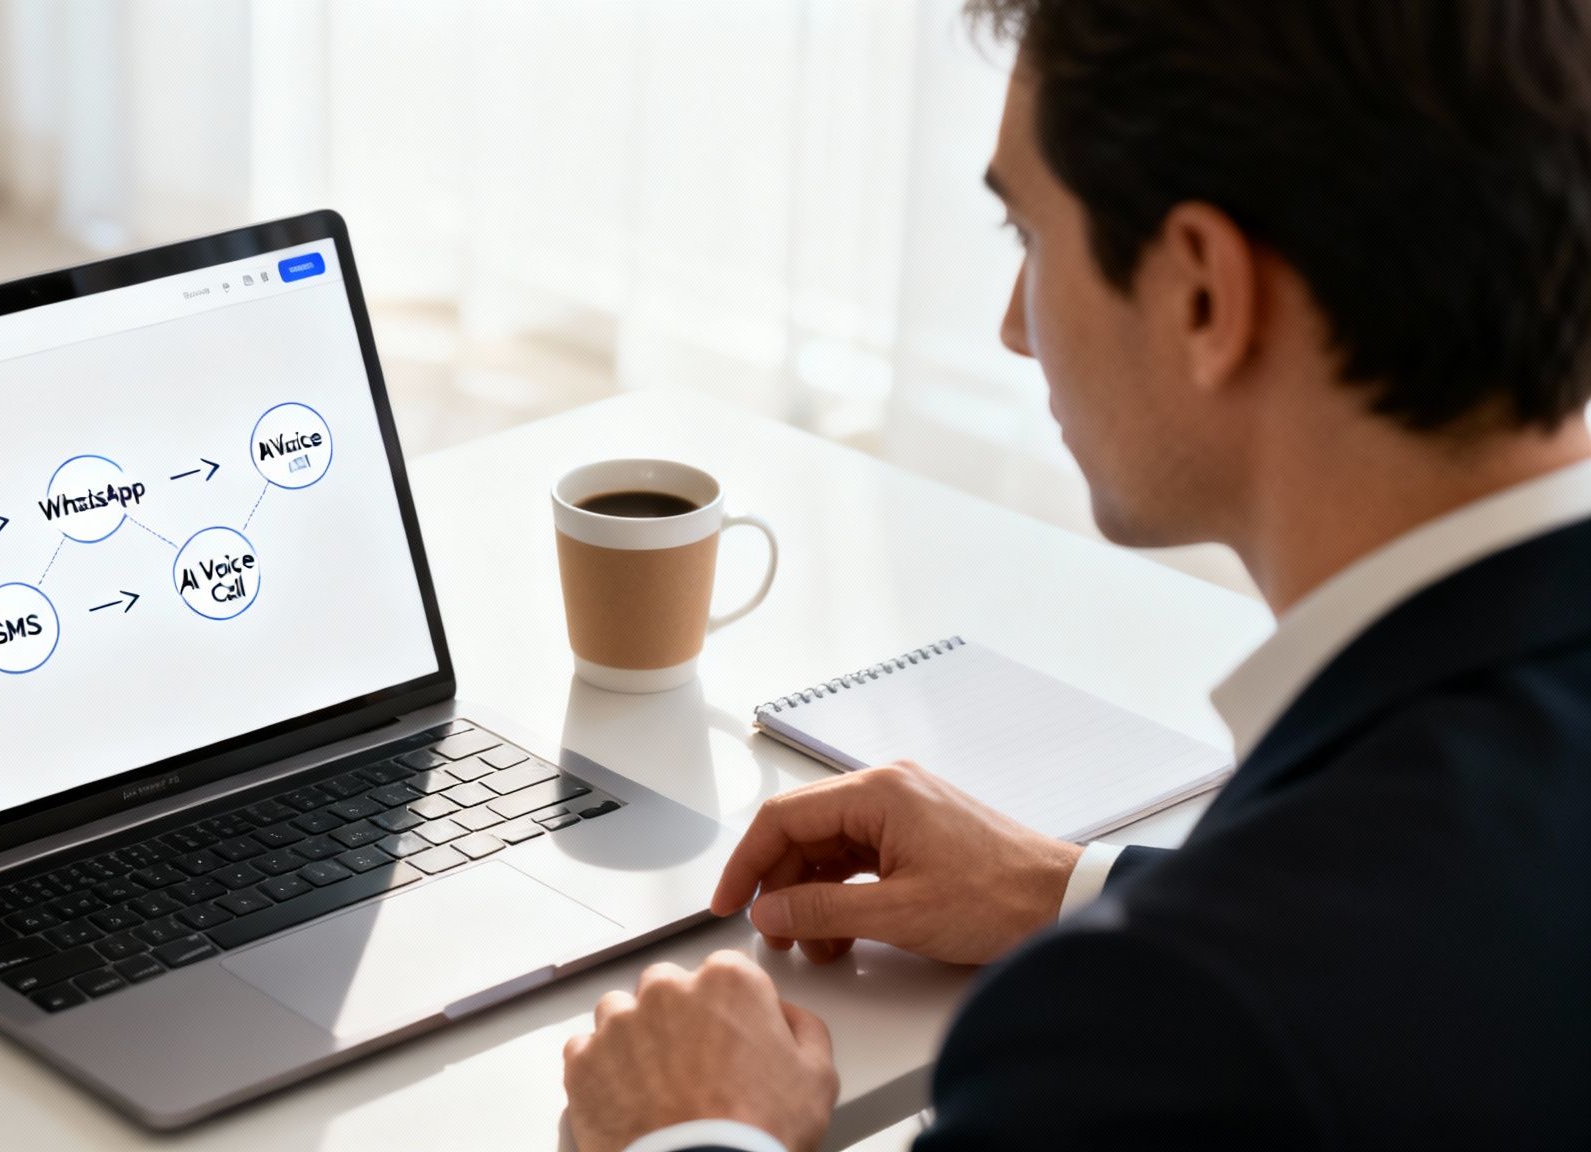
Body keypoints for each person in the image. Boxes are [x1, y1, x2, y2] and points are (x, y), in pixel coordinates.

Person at [560, 1, 1591, 1149]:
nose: (1013, 328)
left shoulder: (1151, 1032)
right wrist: (1067, 889)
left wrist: (692, 1130)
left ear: (1201, 294)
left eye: (1028, 237)